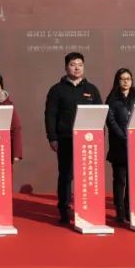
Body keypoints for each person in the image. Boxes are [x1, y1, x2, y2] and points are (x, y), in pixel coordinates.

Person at [44, 52, 103, 225]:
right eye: (73, 64)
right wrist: (52, 137)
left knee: (88, 175)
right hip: (65, 138)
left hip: (89, 141)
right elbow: (50, 115)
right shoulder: (57, 90)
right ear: (66, 67)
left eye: (80, 64)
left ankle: (88, 208)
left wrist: (100, 137)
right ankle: (64, 209)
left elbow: (100, 113)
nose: (77, 68)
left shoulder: (92, 89)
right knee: (66, 175)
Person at [106, 68, 135, 224]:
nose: (126, 81)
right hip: (119, 145)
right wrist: (123, 137)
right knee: (120, 179)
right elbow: (111, 121)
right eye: (122, 79)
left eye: (128, 78)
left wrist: (134, 138)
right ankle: (120, 211)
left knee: (132, 181)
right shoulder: (112, 99)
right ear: (117, 81)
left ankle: (130, 211)